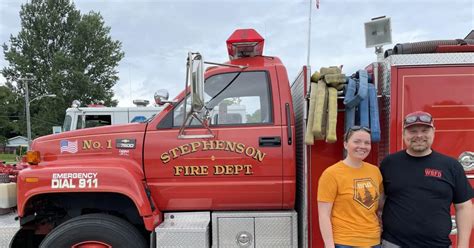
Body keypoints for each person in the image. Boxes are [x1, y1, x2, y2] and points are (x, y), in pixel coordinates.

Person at [380, 111, 473, 248]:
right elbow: (378, 203)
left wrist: (463, 245)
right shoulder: (389, 163)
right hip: (393, 244)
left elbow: (464, 207)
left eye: (424, 130)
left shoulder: (451, 166)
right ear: (404, 134)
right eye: (413, 131)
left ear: (433, 132)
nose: (419, 136)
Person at [318, 126, 383, 248]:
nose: (362, 146)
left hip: (374, 241)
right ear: (345, 144)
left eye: (367, 143)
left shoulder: (375, 171)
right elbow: (324, 214)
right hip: (345, 242)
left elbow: (378, 205)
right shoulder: (331, 174)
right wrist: (329, 245)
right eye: (356, 141)